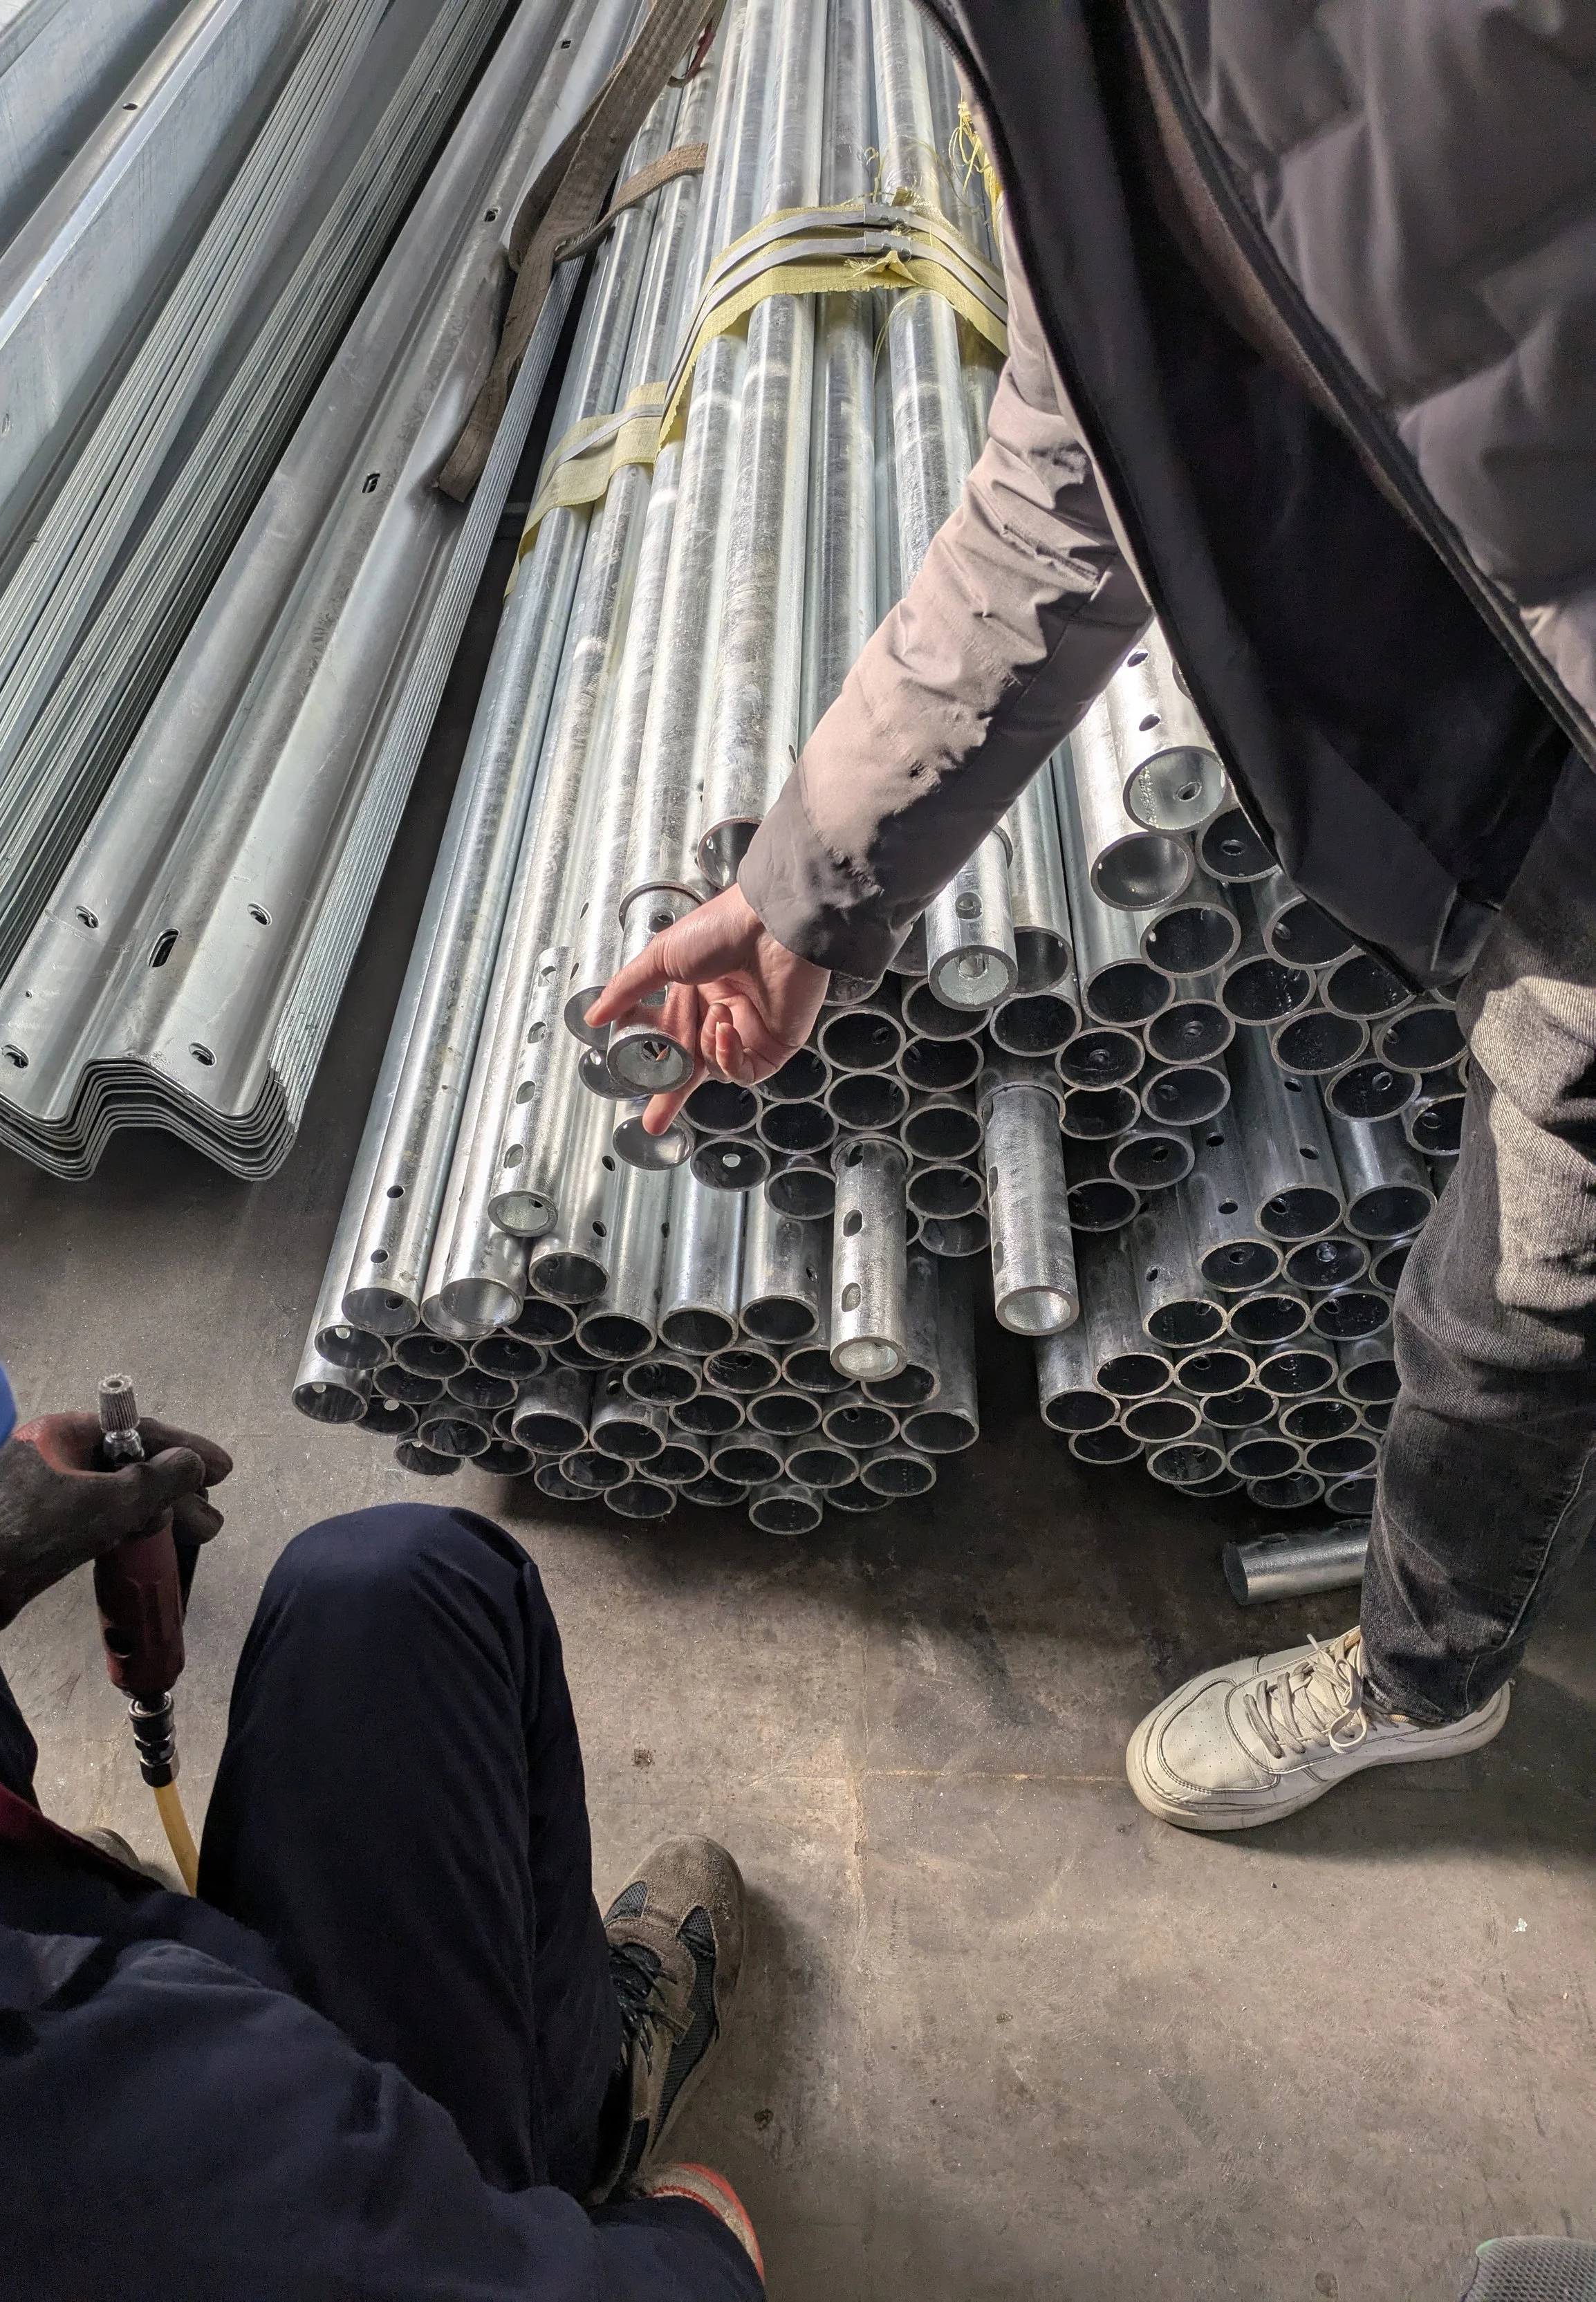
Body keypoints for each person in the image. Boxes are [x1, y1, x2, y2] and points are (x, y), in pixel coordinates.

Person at [591, 1, 1596, 1831]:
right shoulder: (1072, 45)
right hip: (1528, 774)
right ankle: (1424, 1670)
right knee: (1517, 1280)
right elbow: (1074, 473)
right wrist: (809, 882)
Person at [0, 1252, 763, 2299]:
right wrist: (698, 2246)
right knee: (421, 1599)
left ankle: (73, 1907)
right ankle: (586, 2119)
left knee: (385, 1592)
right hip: (194, 2136)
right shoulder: (65, 2140)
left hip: (30, 1969)